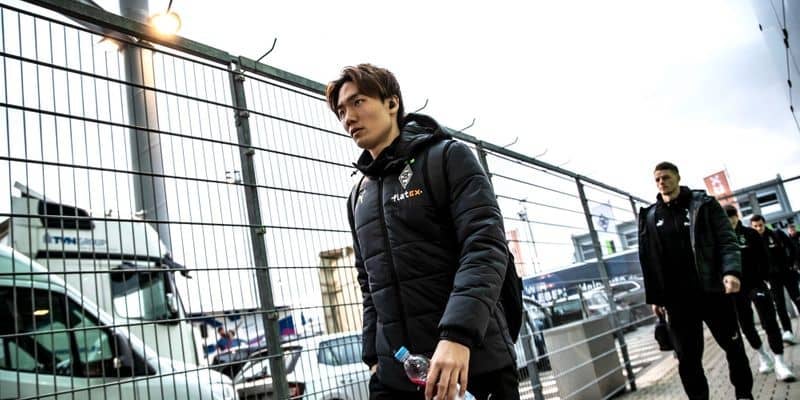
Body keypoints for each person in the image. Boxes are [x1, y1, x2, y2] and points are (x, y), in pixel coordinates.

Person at [327, 64, 518, 400]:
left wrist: (458, 335)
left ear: (392, 103)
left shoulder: (447, 157)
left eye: (357, 102)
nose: (348, 118)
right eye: (341, 111)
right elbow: (368, 283)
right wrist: (373, 357)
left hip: (470, 364)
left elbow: (485, 246)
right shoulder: (359, 195)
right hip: (396, 377)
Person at [638, 161, 753, 400]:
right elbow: (649, 260)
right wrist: (656, 297)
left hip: (712, 291)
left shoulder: (704, 204)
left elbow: (727, 240)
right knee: (688, 360)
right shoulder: (650, 216)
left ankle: (744, 394)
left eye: (666, 177)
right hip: (677, 301)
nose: (661, 182)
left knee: (733, 347)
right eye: (657, 179)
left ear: (678, 178)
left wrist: (731, 272)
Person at [724, 205, 794, 381]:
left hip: (756, 284)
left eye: (731, 216)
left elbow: (764, 257)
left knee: (769, 321)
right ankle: (763, 355)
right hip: (735, 289)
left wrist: (763, 279)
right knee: (746, 325)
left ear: (736, 216)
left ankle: (780, 361)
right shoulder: (720, 237)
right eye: (726, 217)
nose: (729, 220)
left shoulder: (750, 234)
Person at [750, 214, 800, 344]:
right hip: (772, 278)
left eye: (760, 225)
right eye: (755, 226)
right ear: (752, 227)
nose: (758, 228)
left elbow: (793, 248)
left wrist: (793, 264)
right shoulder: (753, 241)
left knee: (797, 298)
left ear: (764, 223)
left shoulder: (776, 234)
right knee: (779, 305)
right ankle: (788, 332)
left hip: (787, 273)